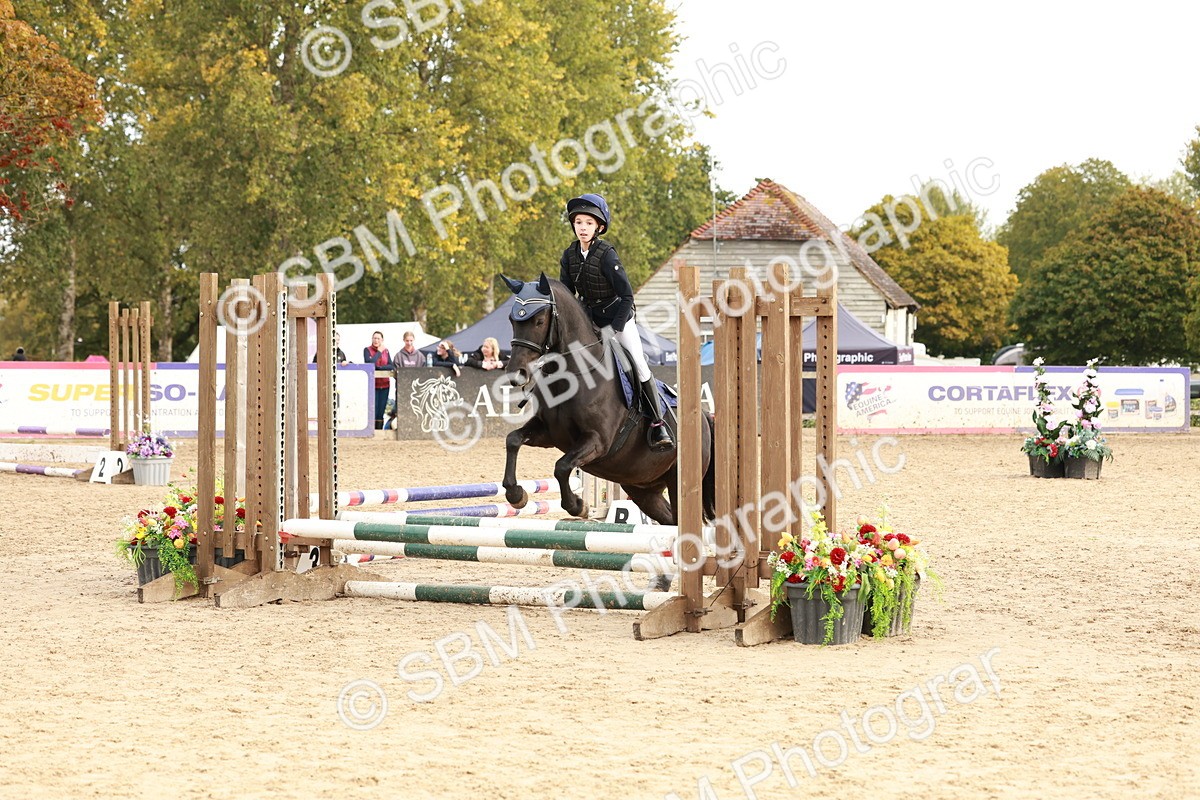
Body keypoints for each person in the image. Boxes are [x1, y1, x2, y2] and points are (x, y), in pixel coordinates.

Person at [559, 193, 673, 451]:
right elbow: (568, 295)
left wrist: (614, 329)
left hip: (618, 316)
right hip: (590, 319)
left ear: (598, 226)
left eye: (588, 223)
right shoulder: (569, 255)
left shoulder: (607, 254)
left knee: (639, 364)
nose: (583, 228)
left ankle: (657, 424)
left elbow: (627, 295)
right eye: (578, 222)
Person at [363, 331, 392, 430]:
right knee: (373, 409)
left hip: (385, 385)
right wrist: (379, 351)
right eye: (374, 338)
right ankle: (372, 430)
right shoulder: (367, 350)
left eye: (378, 338)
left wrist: (379, 368)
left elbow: (390, 366)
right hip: (373, 385)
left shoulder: (386, 351)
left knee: (381, 410)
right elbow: (370, 363)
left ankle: (379, 431)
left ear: (382, 340)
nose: (376, 340)